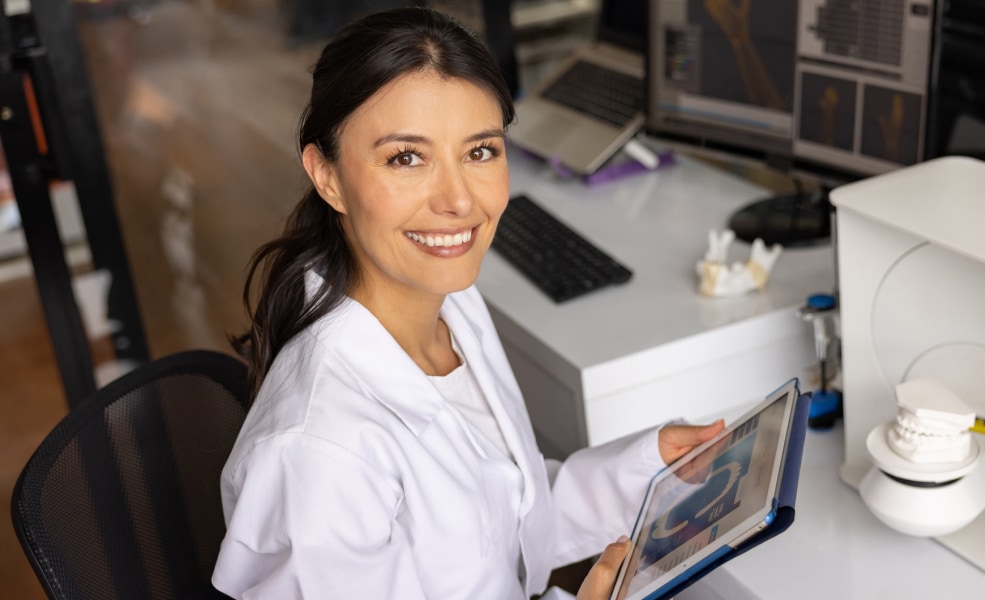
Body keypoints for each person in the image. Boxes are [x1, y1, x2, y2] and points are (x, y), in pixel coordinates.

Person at [211, 8, 722, 599]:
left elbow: (500, 518)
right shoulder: (320, 455)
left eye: (480, 152)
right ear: (326, 176)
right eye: (407, 157)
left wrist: (646, 469)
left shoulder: (450, 304)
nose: (458, 201)